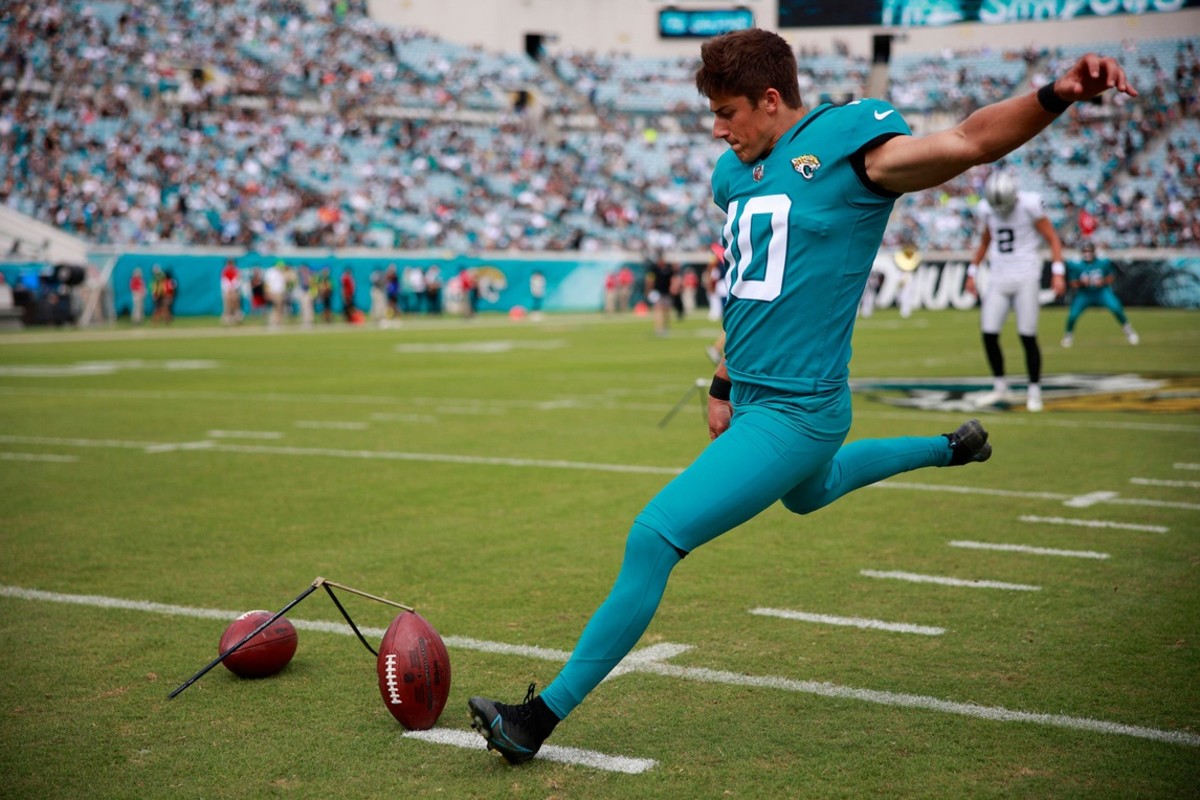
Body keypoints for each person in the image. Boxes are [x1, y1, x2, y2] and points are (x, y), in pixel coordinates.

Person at [466, 29, 1135, 765]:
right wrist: (723, 380)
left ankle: (536, 720)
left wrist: (1057, 95)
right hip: (757, 397)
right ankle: (950, 447)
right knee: (809, 495)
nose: (718, 130)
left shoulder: (854, 152)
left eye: (728, 112)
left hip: (798, 410)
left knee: (654, 536)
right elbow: (747, 288)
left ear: (772, 99)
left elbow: (969, 141)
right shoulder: (737, 174)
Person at [965, 171, 1067, 412]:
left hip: (1026, 276)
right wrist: (972, 272)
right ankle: (1000, 386)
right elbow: (985, 241)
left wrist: (1058, 271)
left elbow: (1052, 237)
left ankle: (1034, 391)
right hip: (998, 277)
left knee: (1027, 335)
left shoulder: (1030, 204)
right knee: (989, 334)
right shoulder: (987, 209)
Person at [1061, 241, 1138, 347]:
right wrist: (1081, 282)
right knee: (1073, 315)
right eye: (1085, 251)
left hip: (1101, 292)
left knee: (1116, 308)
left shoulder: (1103, 262)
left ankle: (1129, 331)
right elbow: (1073, 283)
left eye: (1089, 251)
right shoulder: (1076, 265)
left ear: (1094, 252)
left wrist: (1103, 281)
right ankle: (1068, 336)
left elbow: (1111, 277)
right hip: (1085, 293)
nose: (1087, 254)